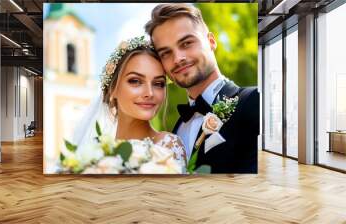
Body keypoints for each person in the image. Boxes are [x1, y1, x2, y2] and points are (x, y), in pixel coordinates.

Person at [145, 3, 259, 173]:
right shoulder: (175, 131)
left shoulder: (253, 100)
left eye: (186, 43)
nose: (178, 58)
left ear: (211, 41)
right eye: (166, 53)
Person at [74, 36, 187, 172]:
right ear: (112, 89)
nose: (150, 93)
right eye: (135, 81)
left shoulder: (167, 146)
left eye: (158, 84)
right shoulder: (95, 154)